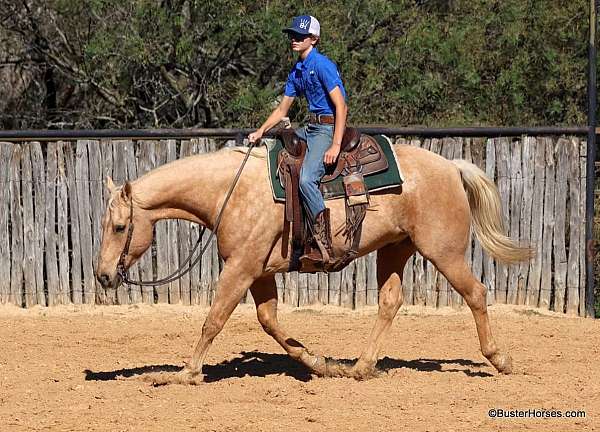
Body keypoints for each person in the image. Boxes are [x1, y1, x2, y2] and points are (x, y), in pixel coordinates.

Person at [248, 15, 348, 266]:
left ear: (313, 39)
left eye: (300, 36)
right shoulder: (297, 70)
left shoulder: (322, 65)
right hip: (311, 127)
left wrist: (335, 144)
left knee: (306, 179)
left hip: (325, 129)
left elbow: (341, 106)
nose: (294, 40)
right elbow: (282, 111)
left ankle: (322, 240)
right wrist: (261, 131)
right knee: (276, 148)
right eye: (292, 35)